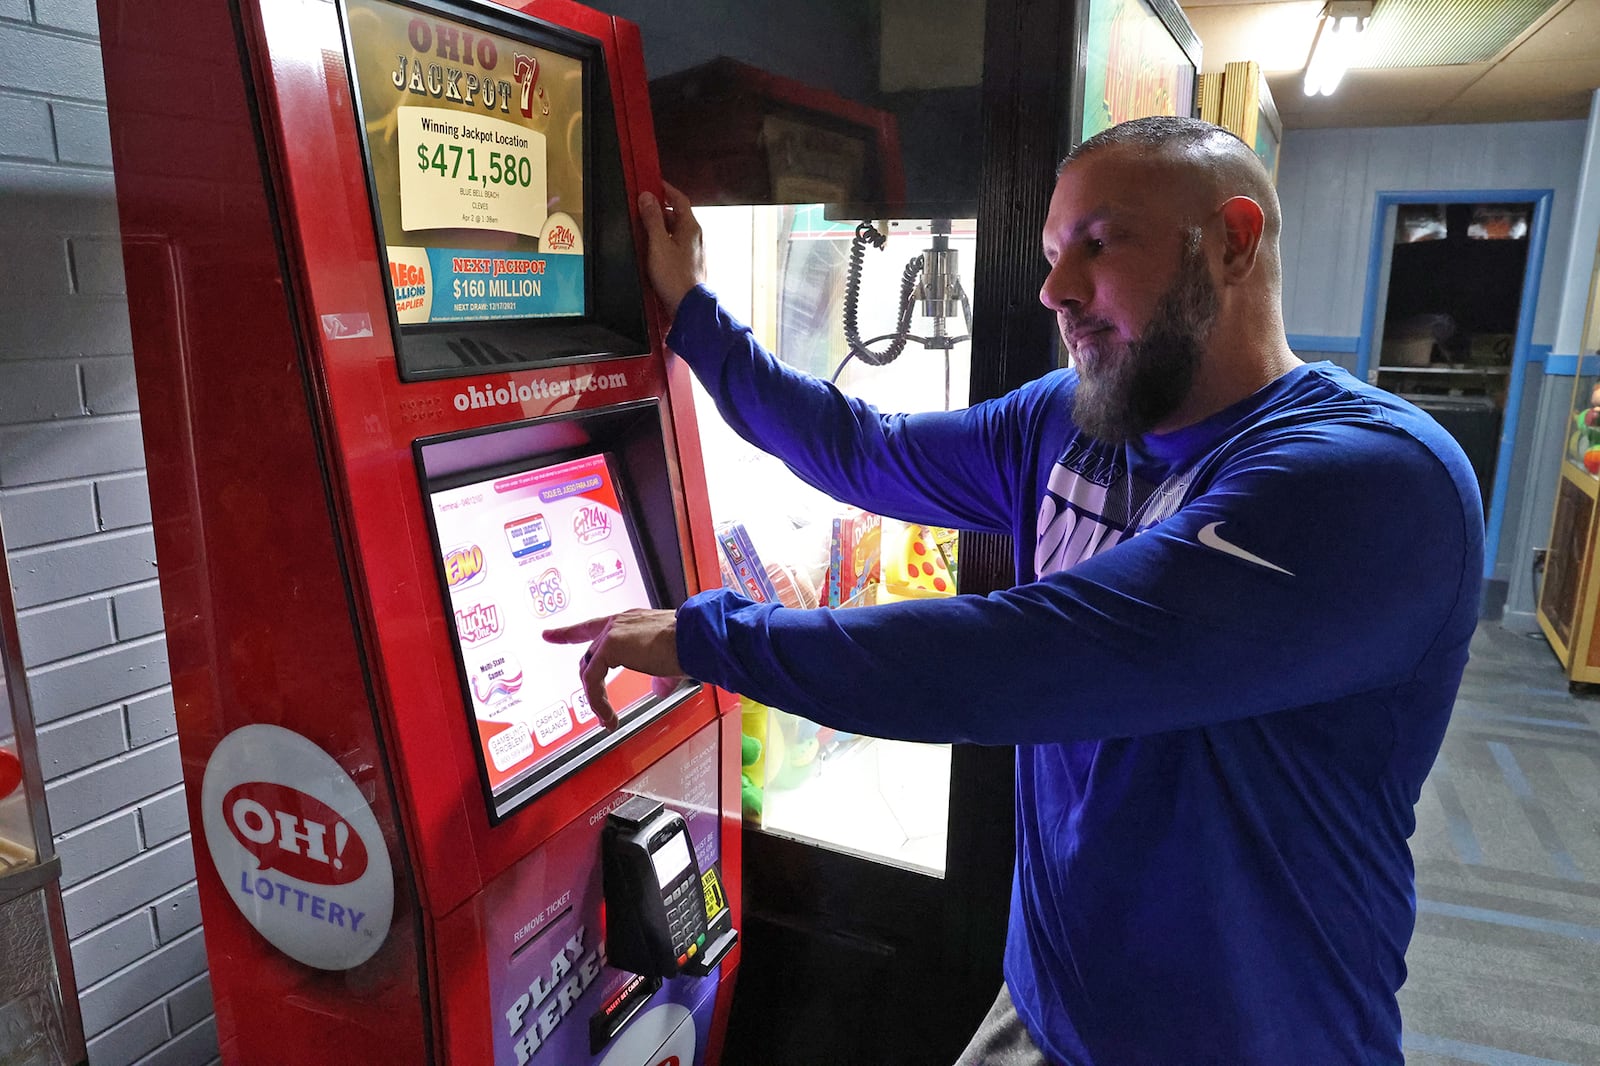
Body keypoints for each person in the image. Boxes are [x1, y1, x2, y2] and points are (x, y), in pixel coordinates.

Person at [545, 116, 1483, 1064]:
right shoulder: (1069, 419)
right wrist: (694, 314)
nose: (1055, 289)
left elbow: (1026, 654)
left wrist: (711, 639)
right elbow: (863, 449)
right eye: (1050, 252)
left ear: (1233, 241)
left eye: (1101, 241)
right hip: (1047, 1005)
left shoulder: (1371, 482)